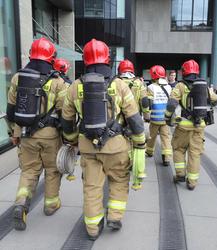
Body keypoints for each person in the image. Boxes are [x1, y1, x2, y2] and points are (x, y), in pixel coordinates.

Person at [61, 39, 146, 240]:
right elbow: (134, 118)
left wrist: (72, 140)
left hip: (88, 147)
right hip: (116, 147)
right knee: (119, 180)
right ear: (108, 59)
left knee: (92, 186)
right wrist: (140, 142)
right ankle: (115, 216)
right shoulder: (119, 85)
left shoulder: (74, 87)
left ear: (86, 60)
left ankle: (92, 228)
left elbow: (67, 120)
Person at [6, 37, 67, 230]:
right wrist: (67, 138)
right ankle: (51, 204)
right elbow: (65, 113)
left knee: (29, 170)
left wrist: (13, 132)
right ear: (51, 57)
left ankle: (22, 201)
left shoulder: (17, 77)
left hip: (25, 134)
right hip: (50, 136)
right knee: (52, 170)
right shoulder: (58, 82)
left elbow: (10, 111)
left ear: (32, 55)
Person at [165, 60, 217, 190]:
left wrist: (167, 117)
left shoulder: (180, 86)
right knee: (195, 154)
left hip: (183, 126)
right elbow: (215, 99)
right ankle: (192, 182)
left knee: (178, 149)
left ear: (183, 71)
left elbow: (172, 104)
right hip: (199, 126)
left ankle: (180, 175)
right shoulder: (203, 85)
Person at [146, 65, 172, 166]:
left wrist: (146, 115)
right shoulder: (169, 87)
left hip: (155, 118)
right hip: (165, 118)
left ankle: (149, 151)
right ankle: (166, 158)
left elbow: (149, 103)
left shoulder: (151, 87)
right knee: (165, 137)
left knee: (152, 136)